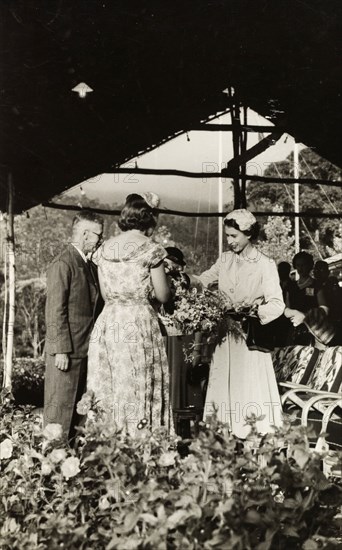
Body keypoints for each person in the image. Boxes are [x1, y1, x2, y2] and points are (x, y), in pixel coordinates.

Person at [86, 192, 173, 435]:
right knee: (138, 383)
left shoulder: (103, 250)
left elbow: (105, 295)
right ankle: (142, 444)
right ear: (150, 218)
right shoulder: (151, 250)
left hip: (109, 322)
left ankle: (109, 445)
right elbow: (163, 295)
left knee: (110, 385)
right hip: (138, 321)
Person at [195, 209, 284, 439]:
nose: (229, 241)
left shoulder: (265, 264)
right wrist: (182, 278)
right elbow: (203, 280)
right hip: (225, 338)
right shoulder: (224, 260)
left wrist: (253, 311)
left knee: (248, 390)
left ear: (248, 234)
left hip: (248, 339)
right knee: (224, 388)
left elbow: (277, 304)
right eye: (227, 236)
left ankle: (251, 439)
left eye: (234, 236)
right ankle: (224, 441)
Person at [44, 211, 104, 441]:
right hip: (67, 354)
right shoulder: (63, 264)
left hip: (84, 351)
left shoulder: (88, 264)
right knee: (59, 416)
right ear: (85, 235)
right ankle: (53, 470)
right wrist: (60, 350)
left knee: (78, 414)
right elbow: (55, 310)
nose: (100, 240)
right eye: (98, 235)